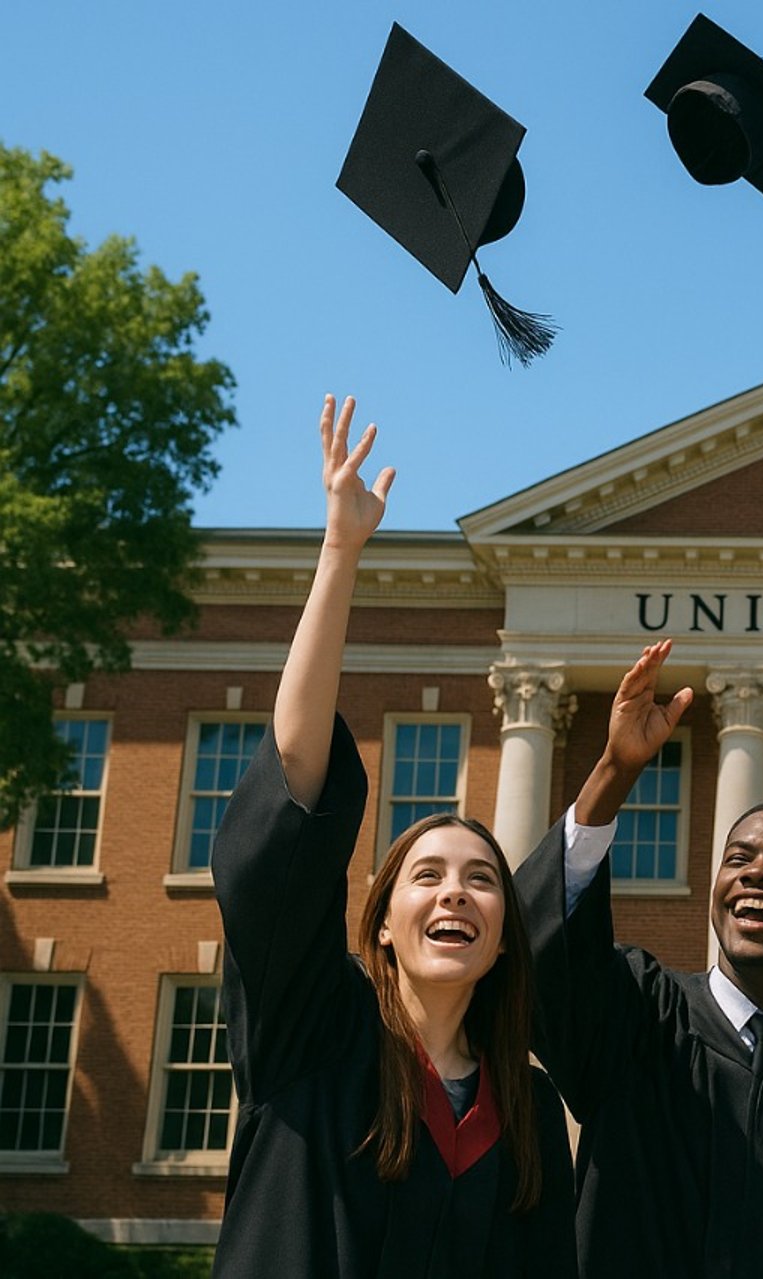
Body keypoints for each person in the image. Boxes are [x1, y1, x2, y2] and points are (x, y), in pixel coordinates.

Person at [211, 396, 575, 1276]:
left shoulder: (525, 1109)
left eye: (482, 878)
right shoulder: (314, 1032)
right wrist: (340, 553)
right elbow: (295, 788)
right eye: (427, 873)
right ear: (379, 922)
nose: (456, 890)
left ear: (504, 938)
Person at [514, 654, 763, 1279]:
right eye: (738, 858)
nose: (757, 872)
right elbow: (537, 954)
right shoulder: (636, 1016)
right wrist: (615, 770)